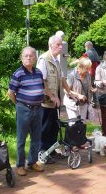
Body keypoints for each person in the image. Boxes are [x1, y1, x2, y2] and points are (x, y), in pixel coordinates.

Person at [36, 35, 76, 164]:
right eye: (58, 45)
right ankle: (42, 154)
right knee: (45, 128)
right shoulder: (44, 59)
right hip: (46, 102)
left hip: (56, 102)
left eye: (61, 45)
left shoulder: (56, 60)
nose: (61, 47)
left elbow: (62, 79)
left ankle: (52, 151)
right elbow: (41, 81)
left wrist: (70, 92)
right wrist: (52, 97)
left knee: (54, 127)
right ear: (50, 44)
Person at [7, 47, 45, 176]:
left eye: (31, 56)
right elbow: (10, 93)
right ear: (21, 58)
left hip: (38, 109)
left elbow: (42, 89)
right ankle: (20, 165)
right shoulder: (18, 73)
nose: (28, 58)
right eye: (26, 56)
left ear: (35, 58)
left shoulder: (39, 72)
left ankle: (32, 162)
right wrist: (18, 104)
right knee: (21, 139)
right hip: (24, 109)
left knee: (36, 138)